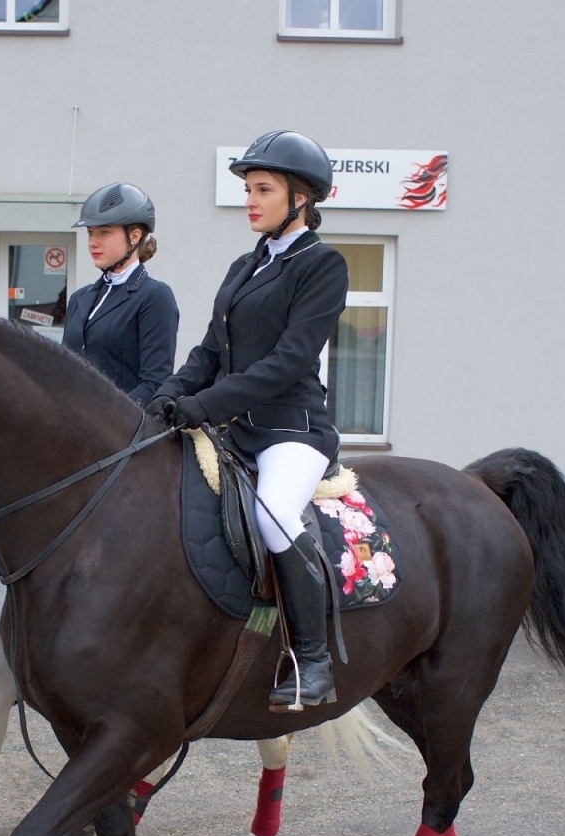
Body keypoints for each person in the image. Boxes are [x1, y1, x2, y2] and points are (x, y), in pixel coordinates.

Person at [148, 130, 348, 711]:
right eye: (247, 189)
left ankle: (312, 661)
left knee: (275, 517)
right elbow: (210, 350)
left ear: (302, 198)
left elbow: (288, 362)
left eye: (263, 189)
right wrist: (167, 397)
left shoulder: (322, 264)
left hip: (293, 428)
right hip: (238, 429)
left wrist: (207, 406)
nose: (251, 200)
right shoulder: (246, 264)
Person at [60, 183, 179, 405]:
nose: (93, 242)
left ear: (134, 236)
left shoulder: (155, 296)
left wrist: (103, 420)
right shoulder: (79, 298)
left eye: (104, 232)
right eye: (90, 233)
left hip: (122, 431)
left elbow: (155, 382)